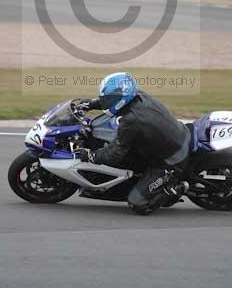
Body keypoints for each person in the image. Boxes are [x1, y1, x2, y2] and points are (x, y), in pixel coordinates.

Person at [79, 72, 191, 214]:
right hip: (173, 138)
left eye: (108, 98)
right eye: (105, 98)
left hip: (171, 160)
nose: (106, 101)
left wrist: (90, 156)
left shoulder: (131, 121)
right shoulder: (137, 95)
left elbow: (114, 154)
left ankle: (176, 188)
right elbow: (115, 102)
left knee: (137, 203)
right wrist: (90, 104)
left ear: (121, 98)